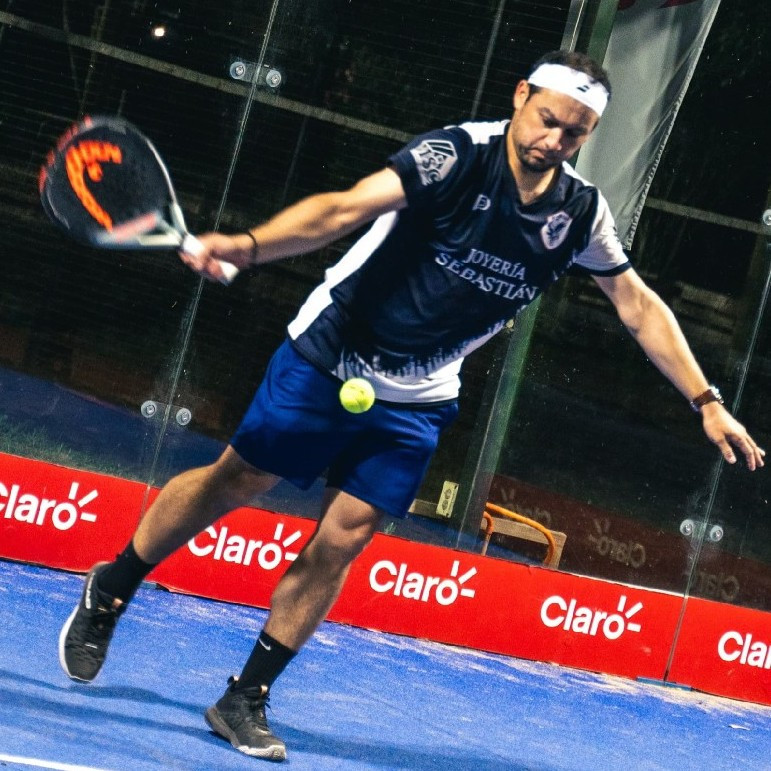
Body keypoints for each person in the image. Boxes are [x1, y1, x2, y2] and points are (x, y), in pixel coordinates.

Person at [58, 50, 765, 762]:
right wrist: (250, 245)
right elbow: (343, 208)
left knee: (344, 538)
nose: (554, 139)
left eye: (574, 133)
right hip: (332, 351)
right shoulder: (453, 156)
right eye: (547, 119)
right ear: (520, 95)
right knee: (238, 480)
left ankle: (245, 696)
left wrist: (705, 401)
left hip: (421, 392)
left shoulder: (579, 213)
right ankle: (113, 584)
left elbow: (637, 304)